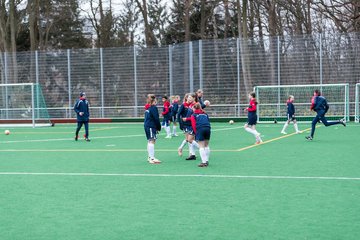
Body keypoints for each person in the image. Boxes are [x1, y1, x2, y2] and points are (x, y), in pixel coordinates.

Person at [177, 93, 199, 160]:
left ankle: (191, 153)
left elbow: (194, 115)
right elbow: (178, 114)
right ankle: (191, 153)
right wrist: (180, 123)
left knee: (190, 139)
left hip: (191, 124)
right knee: (189, 139)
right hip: (185, 124)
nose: (189, 99)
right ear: (186, 98)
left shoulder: (193, 105)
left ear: (193, 98)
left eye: (190, 97)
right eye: (188, 97)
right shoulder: (184, 105)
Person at [190, 103, 211, 167]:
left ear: (194, 108)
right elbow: (208, 121)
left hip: (200, 129)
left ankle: (203, 162)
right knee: (206, 145)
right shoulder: (205, 114)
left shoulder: (193, 115)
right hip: (208, 128)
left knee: (201, 146)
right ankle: (206, 160)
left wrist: (196, 133)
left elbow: (193, 126)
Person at [144, 94, 162, 164]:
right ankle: (152, 158)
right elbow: (156, 118)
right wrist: (158, 127)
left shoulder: (147, 108)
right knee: (152, 141)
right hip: (151, 126)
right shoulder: (153, 107)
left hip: (147, 125)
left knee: (150, 141)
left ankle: (150, 157)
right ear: (154, 100)